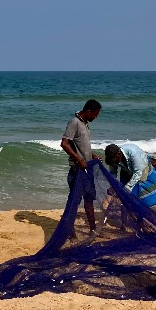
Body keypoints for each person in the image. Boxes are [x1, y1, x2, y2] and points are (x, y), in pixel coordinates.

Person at [60, 99, 101, 233]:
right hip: (77, 170)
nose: (96, 117)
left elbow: (81, 147)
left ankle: (93, 229)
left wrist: (92, 156)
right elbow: (64, 143)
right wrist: (79, 159)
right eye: (95, 114)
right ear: (88, 111)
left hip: (87, 169)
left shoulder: (85, 124)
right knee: (74, 201)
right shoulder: (74, 122)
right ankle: (69, 230)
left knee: (89, 199)